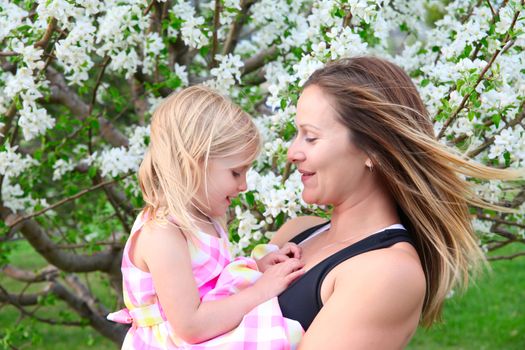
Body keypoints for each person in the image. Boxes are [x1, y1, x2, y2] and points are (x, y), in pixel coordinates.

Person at [271, 56, 523, 349]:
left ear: (372, 149)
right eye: (296, 134)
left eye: (310, 137)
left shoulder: (387, 273)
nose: (292, 152)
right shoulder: (296, 233)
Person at [107, 85, 305, 349]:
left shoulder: (205, 219)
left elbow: (213, 286)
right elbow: (192, 325)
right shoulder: (163, 234)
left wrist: (258, 268)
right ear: (192, 162)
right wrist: (261, 290)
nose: (244, 185)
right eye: (235, 172)